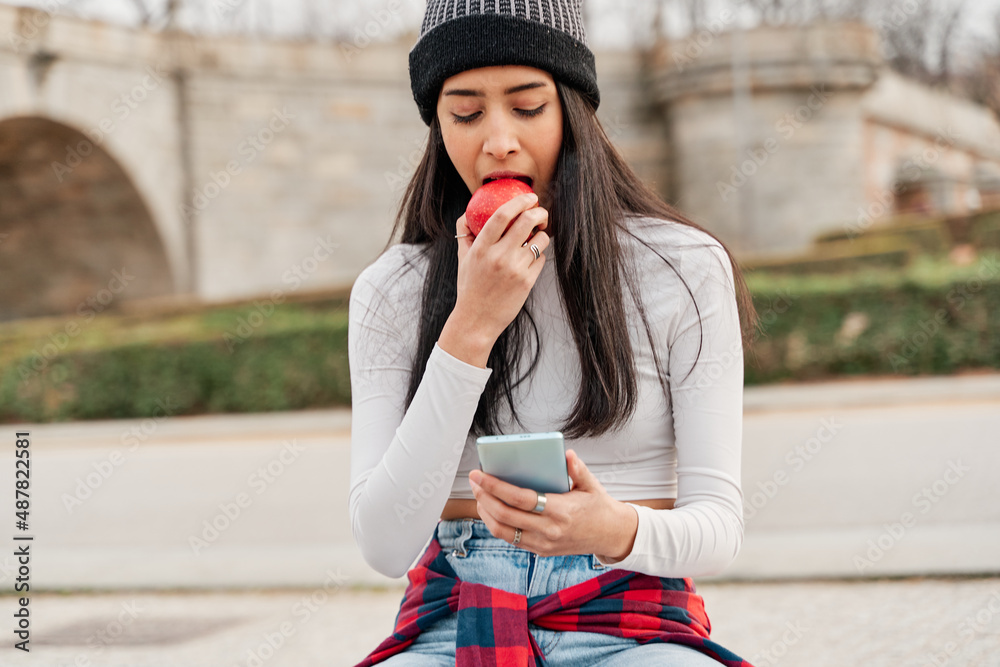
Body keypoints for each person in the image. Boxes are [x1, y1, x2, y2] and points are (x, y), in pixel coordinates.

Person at [348, 1, 758, 665]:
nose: (499, 140)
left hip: (630, 615)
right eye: (466, 111)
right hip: (455, 614)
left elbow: (719, 530)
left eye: (528, 106)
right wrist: (471, 325)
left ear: (574, 110)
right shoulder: (391, 290)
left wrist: (611, 527)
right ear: (437, 125)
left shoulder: (682, 268)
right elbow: (385, 544)